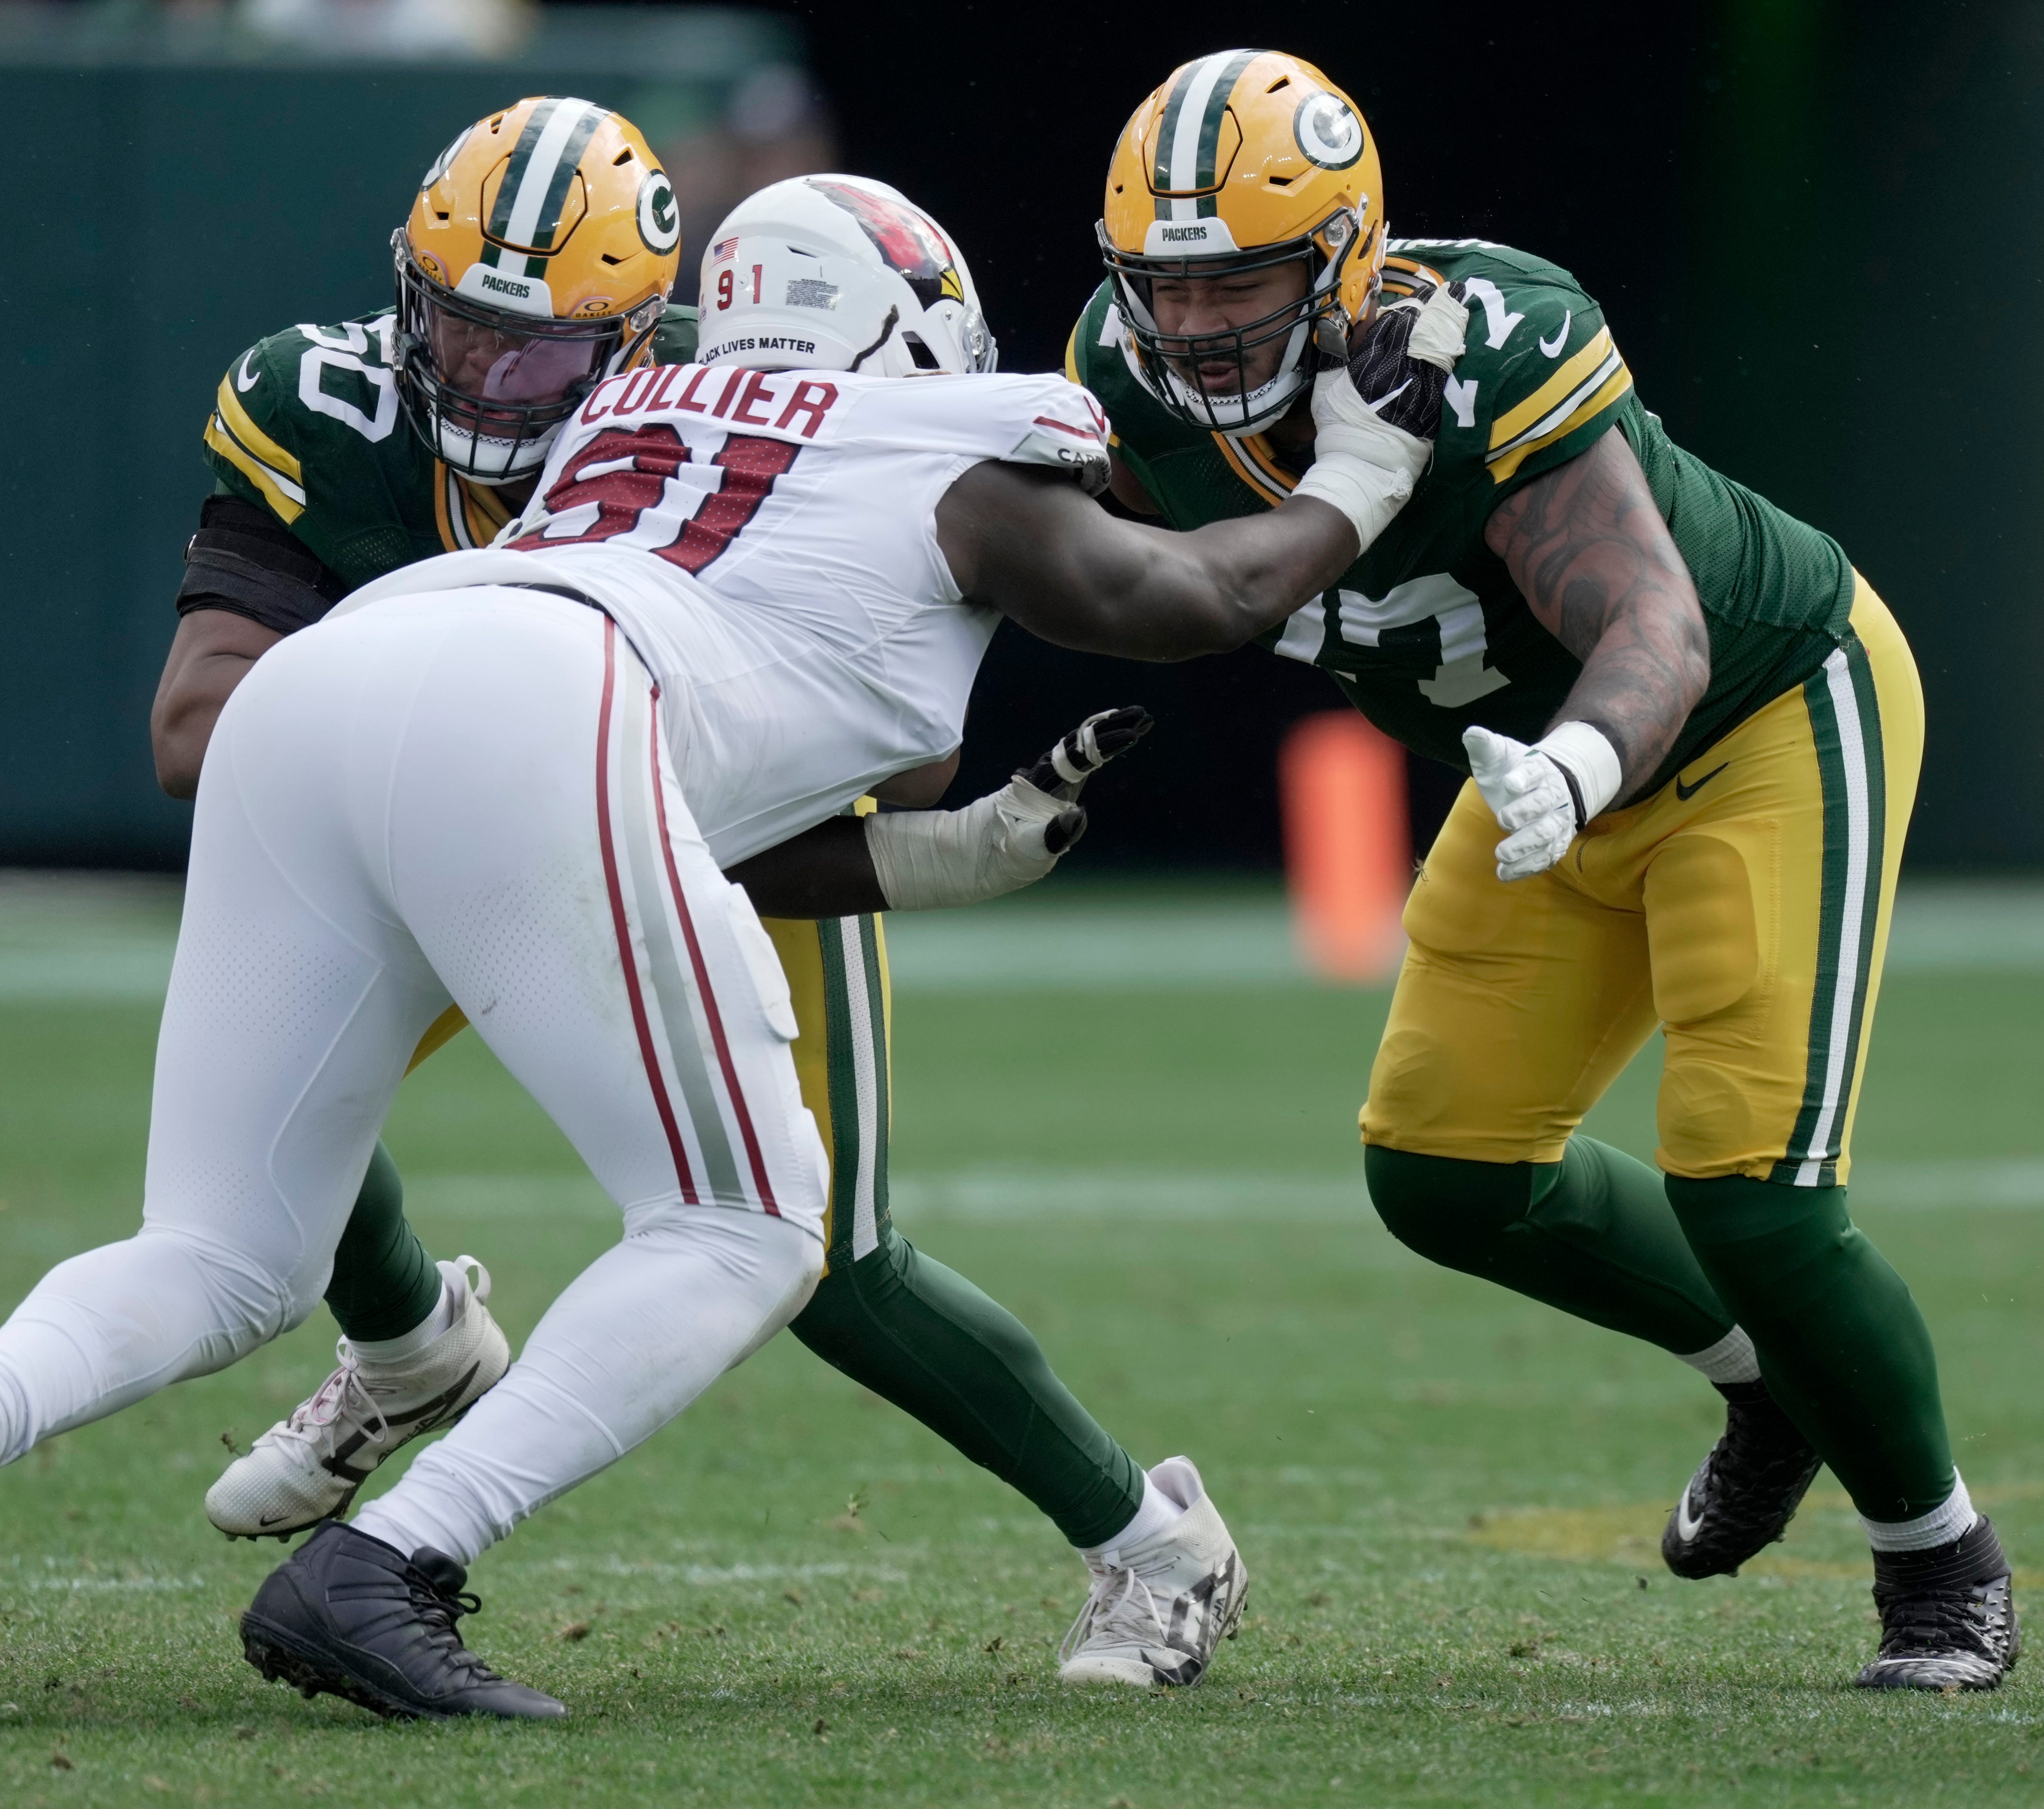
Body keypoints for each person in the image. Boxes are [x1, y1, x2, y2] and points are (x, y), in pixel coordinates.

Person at [2, 162, 1462, 1718]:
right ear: (916, 335)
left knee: (217, 1255)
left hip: (330, 686)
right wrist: (1366, 469)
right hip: (548, 700)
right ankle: (389, 1563)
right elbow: (1202, 596)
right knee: (751, 1227)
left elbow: (672, 789)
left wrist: (926, 860)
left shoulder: (631, 427)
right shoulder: (958, 446)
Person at [157, 97, 1219, 1695]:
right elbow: (195, 730)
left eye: (546, 348)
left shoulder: (764, 419)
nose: (491, 372)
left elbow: (895, 751)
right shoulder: (333, 404)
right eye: (463, 324)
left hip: (695, 796)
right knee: (279, 1088)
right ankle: (406, 1344)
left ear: (640, 338)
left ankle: (1154, 1542)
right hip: (464, 794)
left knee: (826, 1254)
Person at [1066, 47, 2016, 1692]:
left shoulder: (1489, 340)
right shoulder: (1121, 375)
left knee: (1755, 1193)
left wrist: (1578, 764)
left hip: (1752, 713)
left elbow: (1655, 618)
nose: (1199, 323)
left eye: (1242, 281)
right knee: (1445, 1168)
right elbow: (1125, 579)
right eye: (1170, 284)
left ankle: (1941, 1560)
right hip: (1532, 774)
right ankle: (1771, 1382)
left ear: (1344, 258)